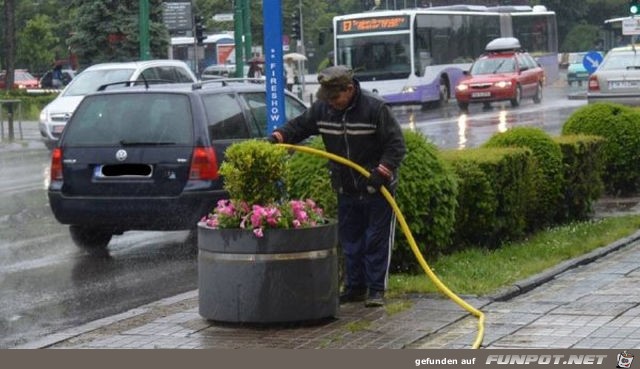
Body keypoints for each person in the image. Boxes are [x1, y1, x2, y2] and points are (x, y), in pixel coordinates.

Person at [269, 65, 406, 308]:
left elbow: (396, 145)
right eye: (327, 98)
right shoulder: (323, 110)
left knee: (376, 240)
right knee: (350, 241)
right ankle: (355, 287)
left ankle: (375, 290)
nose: (331, 103)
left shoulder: (376, 108)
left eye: (335, 97)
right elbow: (300, 126)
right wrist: (278, 137)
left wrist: (382, 171)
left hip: (377, 189)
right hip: (346, 188)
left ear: (350, 89)